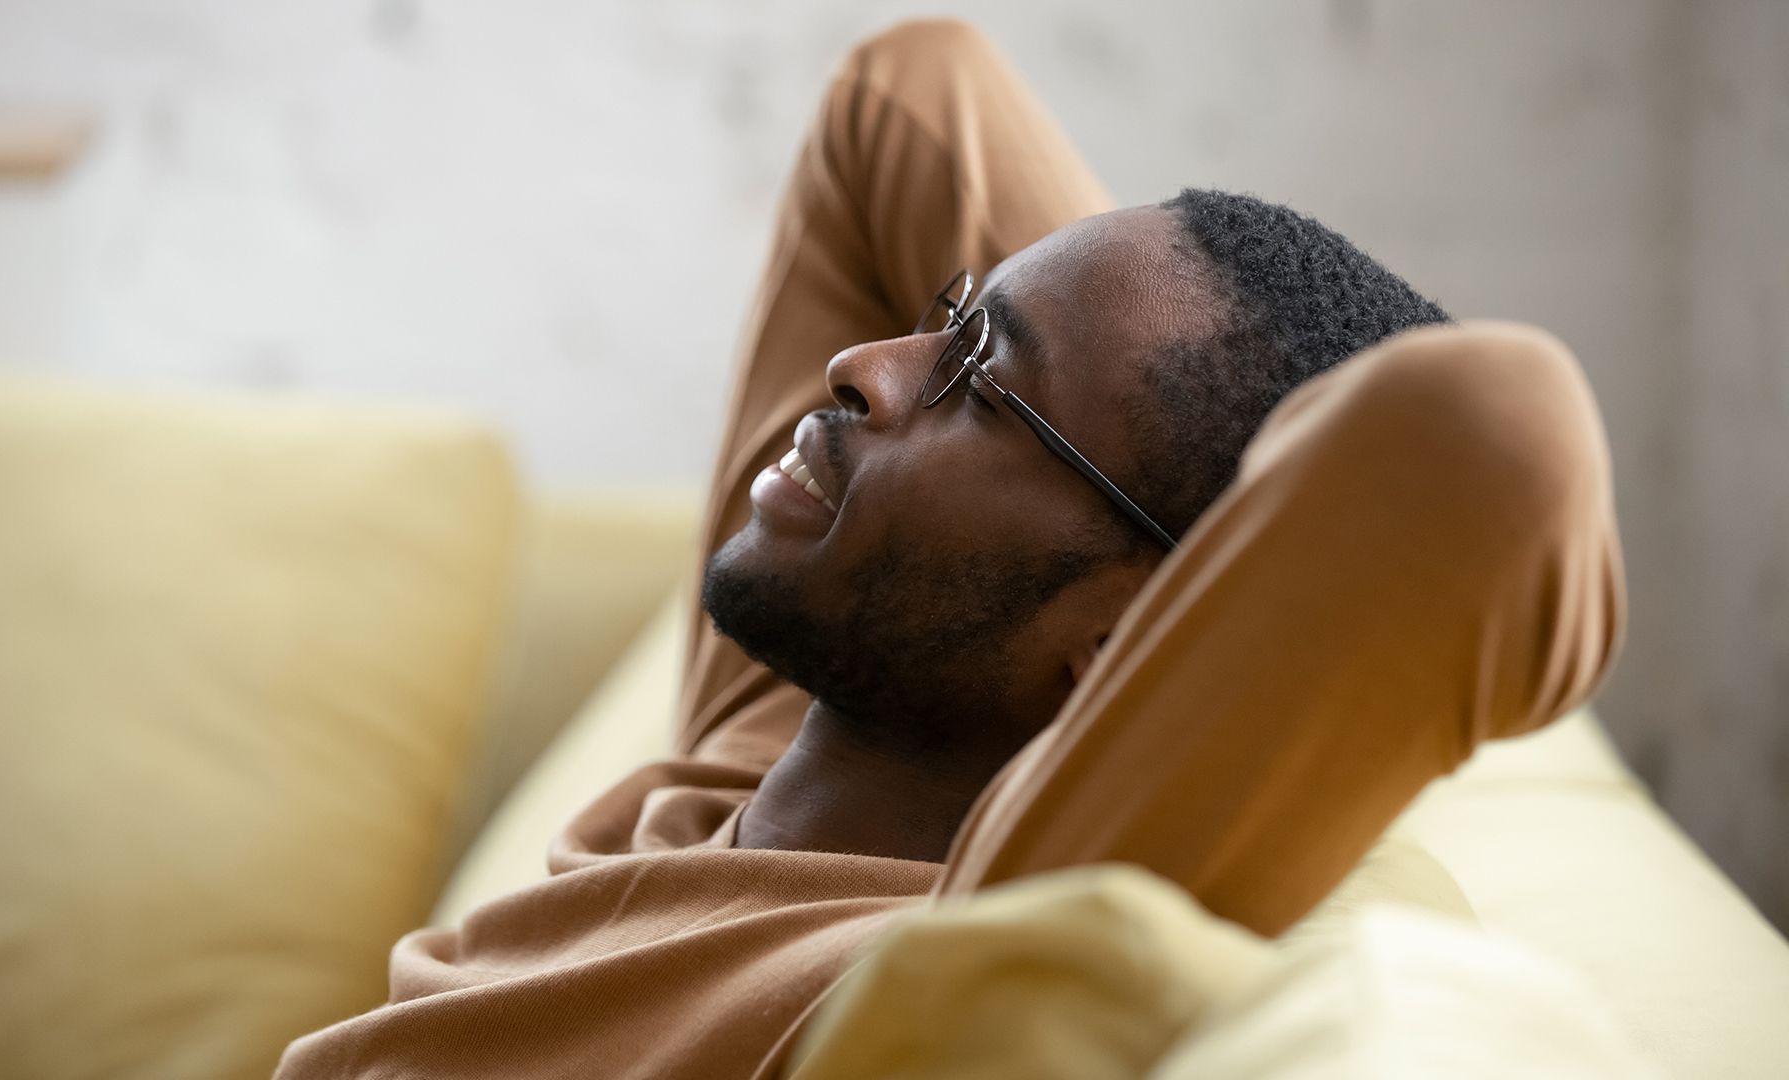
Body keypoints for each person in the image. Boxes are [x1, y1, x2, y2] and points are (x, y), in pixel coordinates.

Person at [274, 18, 1623, 1080]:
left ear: (1124, 648)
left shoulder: (942, 973)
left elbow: (1487, 442)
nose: (860, 366)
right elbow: (909, 88)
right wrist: (1082, 340)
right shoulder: (745, 757)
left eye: (980, 379)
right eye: (949, 315)